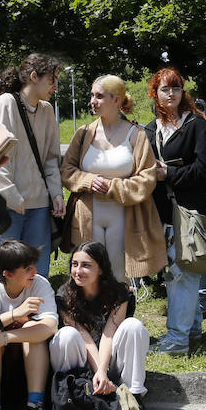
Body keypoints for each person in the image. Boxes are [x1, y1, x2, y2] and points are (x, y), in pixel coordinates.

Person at [61, 75, 166, 283]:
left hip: (125, 215)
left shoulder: (136, 134)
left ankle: (118, 315)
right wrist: (87, 181)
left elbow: (147, 177)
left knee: (119, 276)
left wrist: (113, 186)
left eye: (99, 96)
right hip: (87, 217)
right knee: (88, 276)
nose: (93, 101)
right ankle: (89, 315)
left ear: (116, 100)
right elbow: (67, 170)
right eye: (92, 95)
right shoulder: (83, 133)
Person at [146, 68, 206, 356]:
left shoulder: (196, 126)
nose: (171, 94)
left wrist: (169, 174)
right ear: (155, 93)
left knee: (183, 273)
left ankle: (177, 339)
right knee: (180, 272)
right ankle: (193, 329)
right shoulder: (151, 129)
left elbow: (205, 169)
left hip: (191, 211)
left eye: (176, 88)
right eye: (165, 89)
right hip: (163, 212)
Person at [0, 53, 66, 278]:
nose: (56, 86)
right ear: (33, 76)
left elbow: (50, 158)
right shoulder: (5, 103)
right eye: (52, 79)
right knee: (0, 273)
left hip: (38, 206)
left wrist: (56, 194)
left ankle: (37, 313)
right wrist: (11, 196)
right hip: (6, 206)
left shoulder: (47, 110)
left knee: (36, 273)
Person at [0, 240, 58, 410]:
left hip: (34, 363)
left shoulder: (40, 284)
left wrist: (7, 336)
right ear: (8, 274)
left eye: (33, 265)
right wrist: (15, 313)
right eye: (27, 269)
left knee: (30, 330)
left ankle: (36, 408)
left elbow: (50, 327)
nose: (34, 271)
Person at [53, 241, 150, 402]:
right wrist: (100, 372)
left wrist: (103, 371)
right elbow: (84, 337)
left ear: (101, 269)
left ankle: (133, 394)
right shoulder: (64, 295)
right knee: (66, 335)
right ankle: (70, 393)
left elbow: (109, 333)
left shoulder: (118, 292)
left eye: (86, 265)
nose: (78, 271)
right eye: (74, 264)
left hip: (110, 359)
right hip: (82, 359)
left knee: (134, 326)